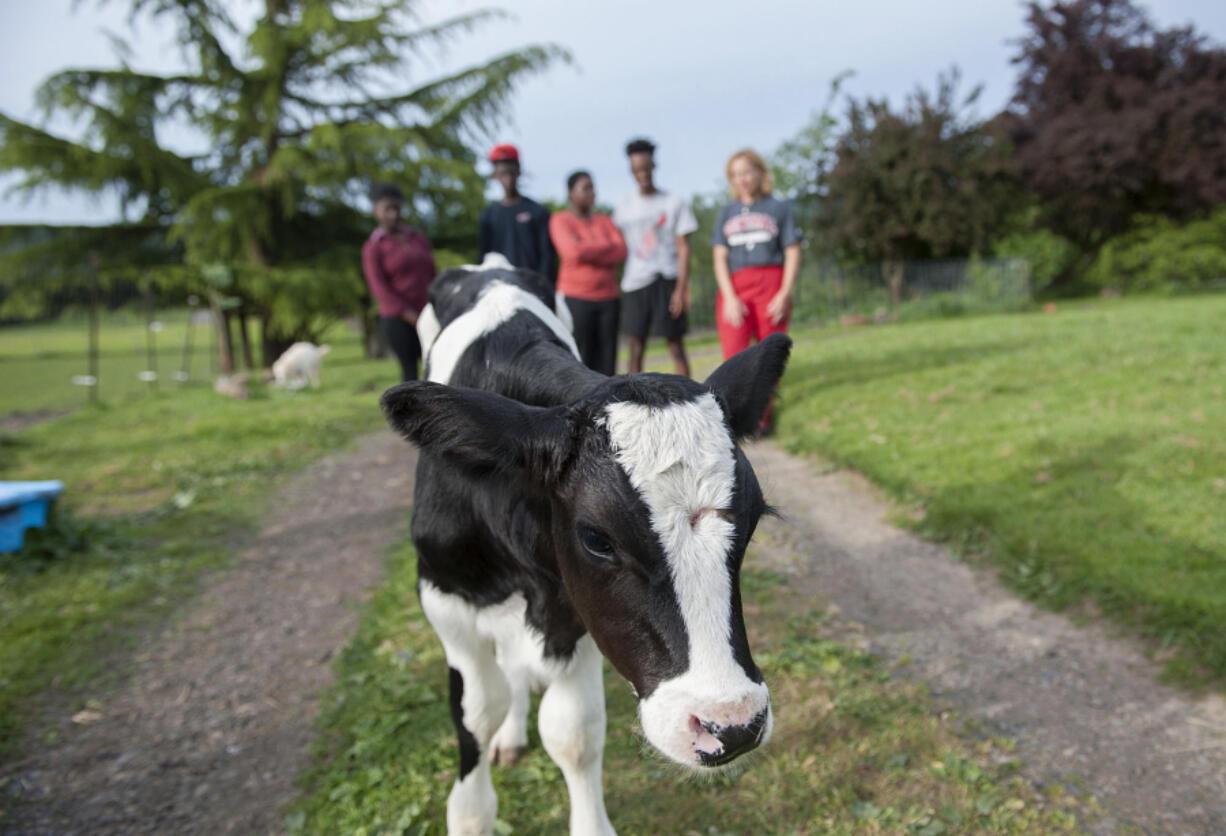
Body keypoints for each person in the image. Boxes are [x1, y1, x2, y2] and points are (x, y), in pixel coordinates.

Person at [711, 148, 802, 434]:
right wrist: (729, 296)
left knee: (768, 354)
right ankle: (737, 417)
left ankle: (761, 418)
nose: (743, 179)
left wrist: (785, 292)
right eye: (737, 174)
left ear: (760, 173)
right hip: (736, 286)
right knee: (735, 354)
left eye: (748, 172)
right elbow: (719, 257)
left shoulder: (778, 208)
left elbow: (792, 250)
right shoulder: (726, 213)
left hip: (771, 283)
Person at [613, 138, 698, 376]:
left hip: (667, 279)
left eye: (646, 168)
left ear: (654, 166)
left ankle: (687, 402)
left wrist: (681, 289)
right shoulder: (623, 207)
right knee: (635, 348)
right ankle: (634, 405)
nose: (643, 173)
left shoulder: (673, 202)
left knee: (676, 345)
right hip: (635, 282)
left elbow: (684, 247)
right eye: (637, 169)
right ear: (631, 170)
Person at [549, 170, 627, 376]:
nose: (592, 192)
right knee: (580, 356)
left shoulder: (605, 221)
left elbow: (620, 251)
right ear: (571, 194)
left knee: (607, 359)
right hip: (576, 298)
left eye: (593, 187)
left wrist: (586, 248)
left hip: (608, 298)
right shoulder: (560, 220)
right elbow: (571, 252)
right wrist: (604, 247)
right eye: (586, 188)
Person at [361, 182, 437, 381]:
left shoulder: (417, 239)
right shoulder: (374, 247)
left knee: (436, 365)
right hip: (398, 319)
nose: (393, 214)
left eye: (396, 208)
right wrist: (410, 315)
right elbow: (380, 289)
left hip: (428, 313)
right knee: (410, 372)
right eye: (387, 209)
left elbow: (432, 274)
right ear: (376, 211)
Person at [479, 144, 555, 278]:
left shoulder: (537, 211)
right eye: (502, 174)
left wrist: (543, 285)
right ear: (495, 175)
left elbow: (547, 256)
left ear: (518, 172)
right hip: (500, 285)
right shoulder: (489, 215)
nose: (508, 179)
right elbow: (484, 256)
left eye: (511, 173)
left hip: (531, 285)